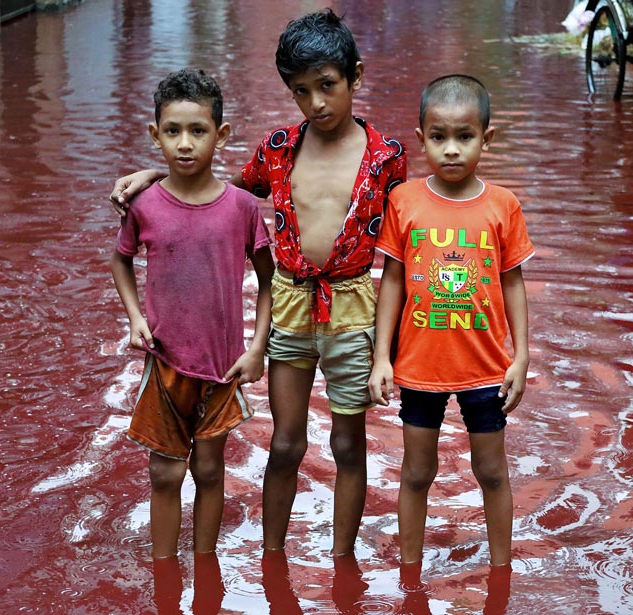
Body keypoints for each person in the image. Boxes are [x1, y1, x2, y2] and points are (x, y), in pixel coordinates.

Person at [109, 9, 407, 556]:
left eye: (328, 86)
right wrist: (153, 175)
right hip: (292, 302)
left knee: (347, 444)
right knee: (287, 442)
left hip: (354, 308)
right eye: (301, 91)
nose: (317, 103)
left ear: (355, 78)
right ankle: (273, 560)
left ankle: (341, 561)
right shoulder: (278, 149)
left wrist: (392, 349)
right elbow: (213, 188)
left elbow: (402, 252)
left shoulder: (387, 158)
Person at [368, 74, 534, 567]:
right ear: (421, 139)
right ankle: (409, 574)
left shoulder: (503, 205)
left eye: (465, 137)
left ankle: (501, 572)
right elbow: (392, 281)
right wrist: (382, 357)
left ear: (487, 137)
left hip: (487, 367)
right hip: (420, 366)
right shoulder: (404, 201)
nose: (452, 150)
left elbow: (513, 283)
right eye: (438, 137)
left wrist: (521, 356)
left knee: (492, 472)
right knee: (417, 473)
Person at [110, 68, 275, 559]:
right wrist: (135, 317)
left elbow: (269, 279)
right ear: (154, 135)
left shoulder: (243, 208)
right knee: (164, 473)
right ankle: (164, 573)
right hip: (164, 361)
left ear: (221, 136)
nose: (185, 144)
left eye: (198, 131)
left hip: (222, 364)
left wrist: (257, 348)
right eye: (173, 131)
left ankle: (205, 573)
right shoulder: (143, 205)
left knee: (208, 470)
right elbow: (120, 259)